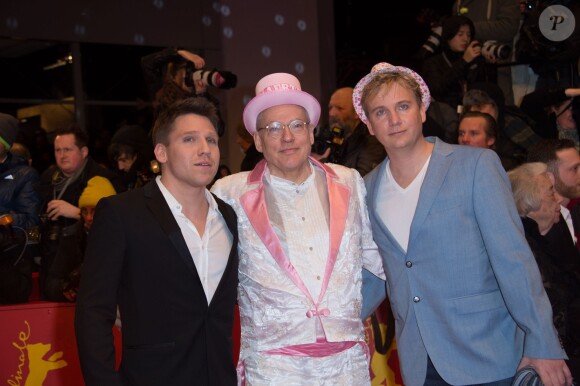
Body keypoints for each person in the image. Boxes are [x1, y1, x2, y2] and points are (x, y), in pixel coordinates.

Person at [355, 62, 571, 386]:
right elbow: (374, 273)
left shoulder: (476, 166)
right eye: (381, 112)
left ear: (422, 110)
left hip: (489, 354)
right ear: (368, 124)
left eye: (403, 106)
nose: (394, 119)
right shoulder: (366, 189)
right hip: (419, 362)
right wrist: (318, 328)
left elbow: (513, 259)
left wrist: (543, 341)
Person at [211, 72, 384, 384]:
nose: (287, 137)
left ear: (311, 131)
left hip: (347, 365)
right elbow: (204, 273)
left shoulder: (348, 181)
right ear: (258, 140)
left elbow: (379, 261)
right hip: (273, 367)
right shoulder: (228, 193)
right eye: (274, 128)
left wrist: (346, 316)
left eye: (296, 125)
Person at [75, 97, 239, 386]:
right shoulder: (121, 213)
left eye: (211, 140)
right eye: (189, 139)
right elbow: (93, 314)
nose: (205, 150)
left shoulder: (228, 216)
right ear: (161, 152)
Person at [508, 162, 580, 378]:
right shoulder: (521, 248)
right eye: (551, 192)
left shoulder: (556, 233)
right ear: (530, 203)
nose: (558, 199)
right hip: (549, 359)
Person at [37, 125, 122, 299]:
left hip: (84, 259)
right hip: (51, 257)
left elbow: (119, 223)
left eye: (67, 150)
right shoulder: (48, 177)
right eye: (57, 150)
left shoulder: (103, 179)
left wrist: (77, 213)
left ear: (83, 152)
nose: (62, 155)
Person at [44, 176, 116, 302]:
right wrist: (67, 290)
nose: (88, 218)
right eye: (84, 211)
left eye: (94, 211)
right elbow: (51, 285)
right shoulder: (71, 237)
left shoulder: (127, 238)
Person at [0, 113, 40, 304]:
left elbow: (32, 223)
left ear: (5, 144)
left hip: (11, 261)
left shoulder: (25, 175)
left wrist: (4, 218)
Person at [421, 15, 492, 112]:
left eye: (468, 34)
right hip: (444, 117)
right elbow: (438, 89)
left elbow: (483, 91)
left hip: (471, 112)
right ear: (448, 37)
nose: (465, 39)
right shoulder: (432, 63)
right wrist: (464, 62)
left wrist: (489, 65)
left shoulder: (473, 60)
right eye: (460, 34)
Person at [315, 87, 386, 176]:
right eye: (330, 108)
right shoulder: (330, 139)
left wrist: (322, 165)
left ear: (357, 112)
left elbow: (361, 182)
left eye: (339, 108)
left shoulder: (371, 142)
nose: (332, 113)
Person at [107, 124, 156, 190]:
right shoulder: (118, 179)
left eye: (124, 160)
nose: (120, 167)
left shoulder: (154, 180)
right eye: (117, 161)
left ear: (137, 156)